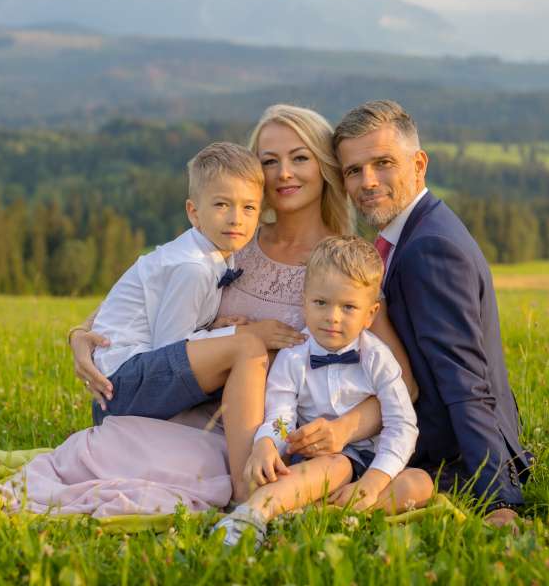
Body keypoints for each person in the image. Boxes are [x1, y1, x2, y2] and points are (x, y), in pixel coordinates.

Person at [68, 105, 416, 503]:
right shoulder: (233, 236)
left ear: (324, 166)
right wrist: (80, 333)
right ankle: (244, 492)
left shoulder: (343, 263)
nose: (284, 173)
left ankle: (252, 494)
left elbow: (403, 382)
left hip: (280, 436)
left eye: (300, 158)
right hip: (189, 417)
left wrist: (347, 428)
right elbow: (150, 288)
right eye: (270, 161)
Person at [333, 100, 534, 529]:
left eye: (383, 163)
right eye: (354, 170)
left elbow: (464, 378)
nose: (368, 182)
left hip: (445, 453)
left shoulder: (430, 248)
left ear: (418, 164)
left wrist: (499, 496)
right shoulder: (410, 233)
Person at [213, 236, 432, 547]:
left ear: (370, 315)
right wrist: (266, 443)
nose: (333, 317)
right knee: (338, 464)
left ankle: (317, 513)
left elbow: (402, 424)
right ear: (304, 302)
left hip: (374, 461)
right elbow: (280, 414)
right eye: (321, 303)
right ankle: (253, 514)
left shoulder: (378, 359)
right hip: (319, 461)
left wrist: (374, 481)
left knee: (421, 483)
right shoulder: (294, 357)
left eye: (348, 307)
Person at [85, 141, 271, 501]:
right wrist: (234, 334)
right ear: (194, 212)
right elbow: (171, 350)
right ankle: (245, 491)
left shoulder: (208, 255)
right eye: (221, 204)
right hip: (119, 387)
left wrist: (214, 330)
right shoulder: (192, 268)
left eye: (248, 207)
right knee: (248, 349)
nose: (236, 218)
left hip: (129, 377)